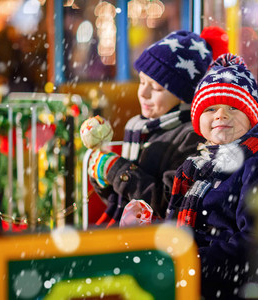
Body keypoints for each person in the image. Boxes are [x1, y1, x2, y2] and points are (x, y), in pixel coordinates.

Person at [166, 54, 258, 299]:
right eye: (211, 108)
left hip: (232, 287)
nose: (221, 115)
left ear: (251, 117)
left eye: (233, 107)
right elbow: (173, 225)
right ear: (198, 120)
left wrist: (192, 263)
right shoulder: (193, 166)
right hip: (191, 275)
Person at [86, 28, 229, 227]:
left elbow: (164, 205)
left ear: (182, 95)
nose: (143, 93)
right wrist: (103, 179)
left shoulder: (191, 136)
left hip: (153, 240)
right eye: (141, 81)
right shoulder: (142, 127)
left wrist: (118, 171)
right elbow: (123, 203)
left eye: (156, 88)